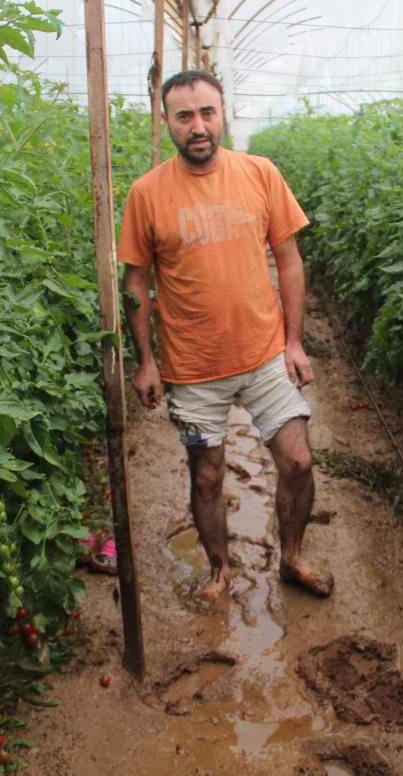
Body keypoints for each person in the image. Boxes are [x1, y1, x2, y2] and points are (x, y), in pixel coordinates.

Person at [118, 70, 334, 602]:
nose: (198, 126)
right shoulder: (147, 194)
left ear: (223, 114)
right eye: (184, 116)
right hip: (192, 369)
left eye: (207, 112)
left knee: (298, 462)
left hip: (264, 354)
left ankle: (291, 557)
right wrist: (145, 361)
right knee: (208, 476)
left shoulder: (259, 173)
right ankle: (220, 570)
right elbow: (136, 283)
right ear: (165, 121)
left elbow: (289, 260)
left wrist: (295, 342)